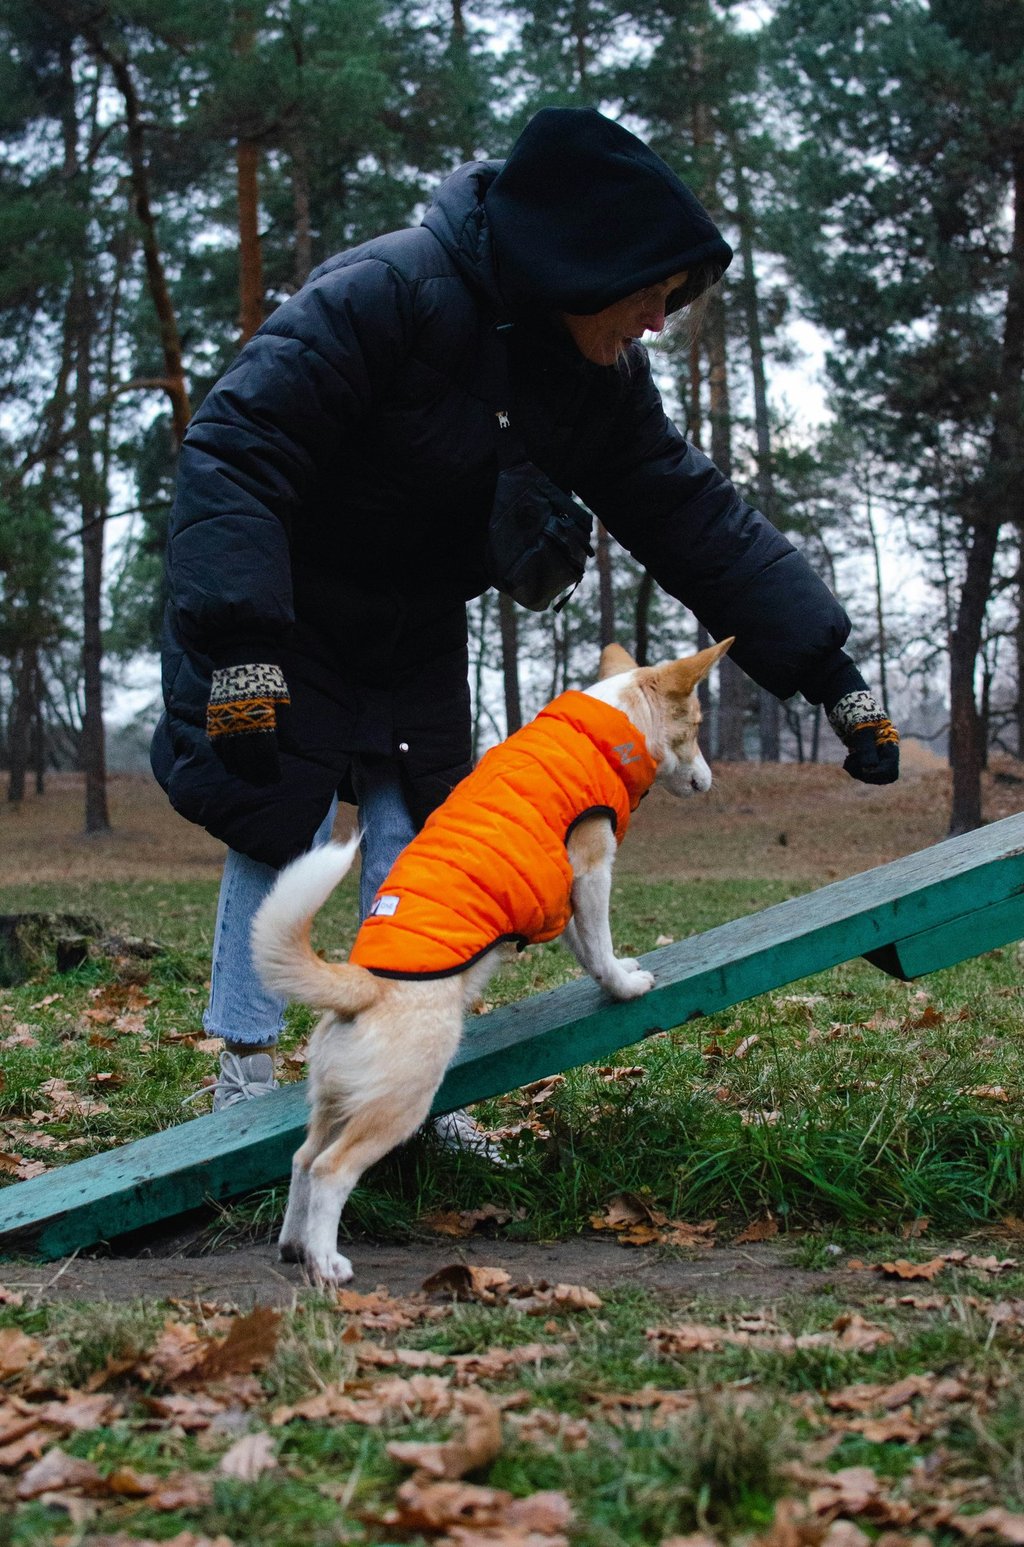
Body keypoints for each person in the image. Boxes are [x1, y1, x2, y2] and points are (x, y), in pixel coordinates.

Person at [151, 106, 899, 1118]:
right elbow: (237, 448)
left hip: (413, 623)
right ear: (577, 262)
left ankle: (421, 1086)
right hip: (289, 609)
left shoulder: (595, 377)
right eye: (649, 293)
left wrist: (829, 671)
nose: (655, 321)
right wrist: (241, 644)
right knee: (274, 818)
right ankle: (240, 1076)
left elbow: (692, 514)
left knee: (419, 839)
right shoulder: (386, 293)